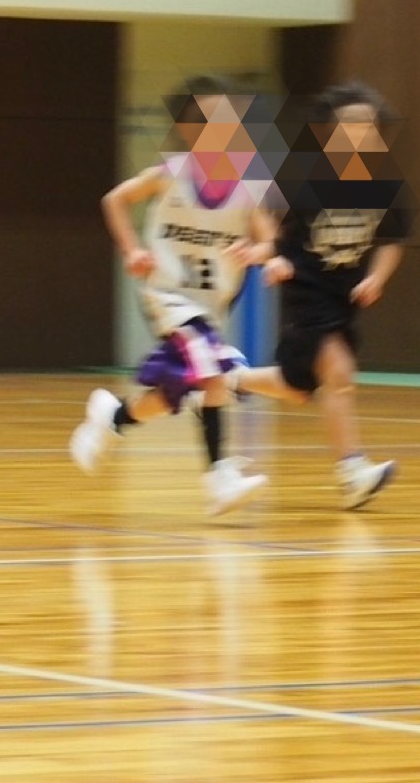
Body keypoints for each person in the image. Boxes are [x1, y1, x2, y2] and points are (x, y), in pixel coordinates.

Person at [70, 79, 271, 516]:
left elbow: (269, 239)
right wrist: (132, 250)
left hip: (210, 306)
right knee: (213, 376)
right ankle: (220, 478)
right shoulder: (171, 174)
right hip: (168, 298)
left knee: (174, 393)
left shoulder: (248, 183)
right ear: (191, 130)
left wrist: (255, 251)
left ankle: (112, 417)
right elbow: (114, 201)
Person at [229, 83, 405, 510]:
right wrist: (268, 256)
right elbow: (269, 225)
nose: (359, 132)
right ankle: (352, 471)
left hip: (343, 297)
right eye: (349, 125)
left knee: (298, 387)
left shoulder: (384, 185)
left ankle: (229, 379)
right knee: (339, 373)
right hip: (305, 290)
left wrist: (377, 278)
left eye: (367, 125)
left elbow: (393, 241)